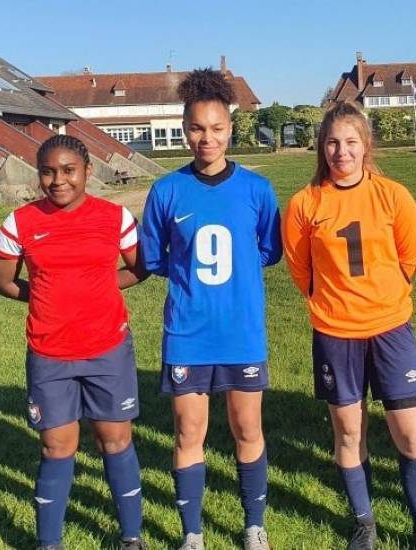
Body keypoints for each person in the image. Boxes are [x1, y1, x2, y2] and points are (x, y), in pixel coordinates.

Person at [281, 100, 416, 550]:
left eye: (351, 142)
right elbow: (299, 269)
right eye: (332, 142)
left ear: (366, 145)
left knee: (410, 431)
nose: (341, 151)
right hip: (335, 334)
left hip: (391, 329)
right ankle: (364, 522)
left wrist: (383, 298)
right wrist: (331, 303)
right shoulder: (304, 203)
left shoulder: (393, 195)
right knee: (349, 431)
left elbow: (408, 258)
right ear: (321, 147)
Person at [141, 68, 282, 550]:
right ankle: (193, 534)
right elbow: (156, 257)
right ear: (184, 129)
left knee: (248, 427)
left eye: (217, 128)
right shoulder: (166, 192)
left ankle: (253, 526)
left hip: (242, 333)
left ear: (231, 128)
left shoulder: (257, 190)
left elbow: (267, 249)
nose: (207, 138)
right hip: (188, 333)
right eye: (197, 128)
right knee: (189, 431)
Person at [0, 135, 147, 550]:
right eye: (47, 171)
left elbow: (140, 268)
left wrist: (99, 291)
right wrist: (45, 294)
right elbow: (3, 282)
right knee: (56, 446)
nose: (57, 180)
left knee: (115, 441)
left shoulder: (115, 218)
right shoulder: (20, 222)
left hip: (107, 350)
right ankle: (49, 542)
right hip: (50, 354)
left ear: (87, 171)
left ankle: (131, 537)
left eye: (68, 171)